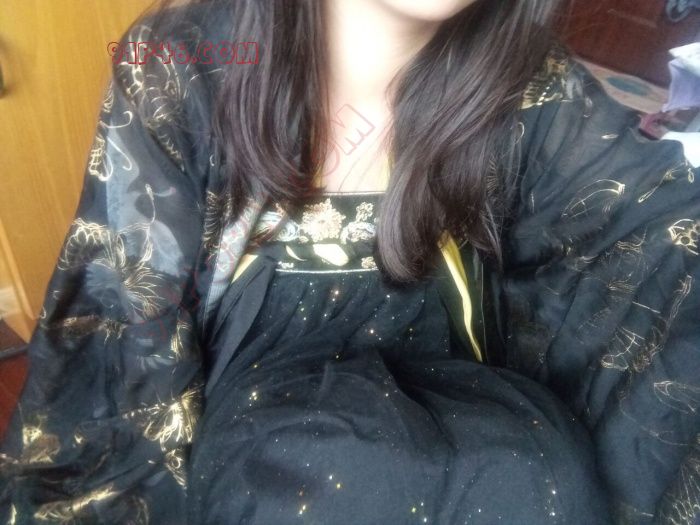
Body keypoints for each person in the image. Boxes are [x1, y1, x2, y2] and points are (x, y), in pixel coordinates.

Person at [1, 0, 698, 523]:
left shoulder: (534, 85)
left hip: (491, 450)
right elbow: (122, 341)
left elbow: (659, 236)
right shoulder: (182, 68)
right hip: (241, 454)